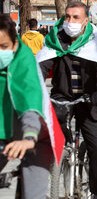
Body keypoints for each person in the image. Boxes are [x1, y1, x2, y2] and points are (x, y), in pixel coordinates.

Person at [36, 1, 97, 199]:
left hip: (91, 98)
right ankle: (57, 168)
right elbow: (42, 66)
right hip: (62, 96)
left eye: (76, 17)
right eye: (67, 17)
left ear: (86, 20)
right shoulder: (55, 38)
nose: (70, 21)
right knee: (47, 136)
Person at [0, 14, 64, 199]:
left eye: (4, 47)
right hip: (3, 132)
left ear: (14, 44)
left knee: (33, 194)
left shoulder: (23, 61)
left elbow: (30, 101)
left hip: (35, 133)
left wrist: (29, 136)